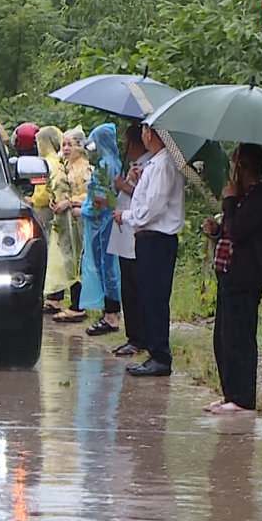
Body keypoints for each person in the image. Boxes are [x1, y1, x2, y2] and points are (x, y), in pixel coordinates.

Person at [202, 144, 262, 413]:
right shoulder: (245, 196)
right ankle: (229, 393)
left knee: (240, 338)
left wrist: (229, 201)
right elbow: (229, 231)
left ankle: (243, 398)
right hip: (229, 274)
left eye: (234, 164)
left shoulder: (260, 198)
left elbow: (239, 231)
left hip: (246, 277)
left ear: (243, 167)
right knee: (223, 338)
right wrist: (216, 230)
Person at [113, 124, 184, 377]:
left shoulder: (164, 164)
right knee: (147, 294)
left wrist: (127, 215)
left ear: (151, 134)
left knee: (154, 297)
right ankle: (154, 352)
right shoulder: (155, 164)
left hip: (158, 238)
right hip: (148, 238)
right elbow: (149, 197)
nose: (142, 134)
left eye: (144, 129)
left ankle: (160, 355)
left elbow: (152, 208)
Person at [107, 124, 151, 357]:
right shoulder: (136, 165)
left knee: (136, 287)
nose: (124, 147)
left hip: (136, 233)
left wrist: (124, 185)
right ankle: (133, 334)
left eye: (126, 142)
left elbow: (146, 200)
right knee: (128, 287)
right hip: (124, 233)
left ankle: (139, 336)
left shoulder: (150, 165)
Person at [81, 123, 123, 336]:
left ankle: (111, 314)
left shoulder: (106, 164)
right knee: (107, 265)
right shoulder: (114, 162)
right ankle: (110, 310)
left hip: (101, 221)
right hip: (105, 220)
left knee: (105, 265)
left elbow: (102, 197)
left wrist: (86, 207)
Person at [46, 127, 92, 321]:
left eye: (70, 145)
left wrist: (70, 201)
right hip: (66, 223)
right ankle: (70, 301)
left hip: (78, 221)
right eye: (64, 144)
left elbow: (89, 195)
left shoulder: (85, 168)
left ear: (80, 147)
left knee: (77, 261)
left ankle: (78, 305)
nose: (65, 148)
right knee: (68, 261)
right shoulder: (66, 167)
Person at [31, 126, 64, 235]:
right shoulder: (59, 160)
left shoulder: (46, 163)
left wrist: (32, 200)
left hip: (44, 210)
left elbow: (44, 190)